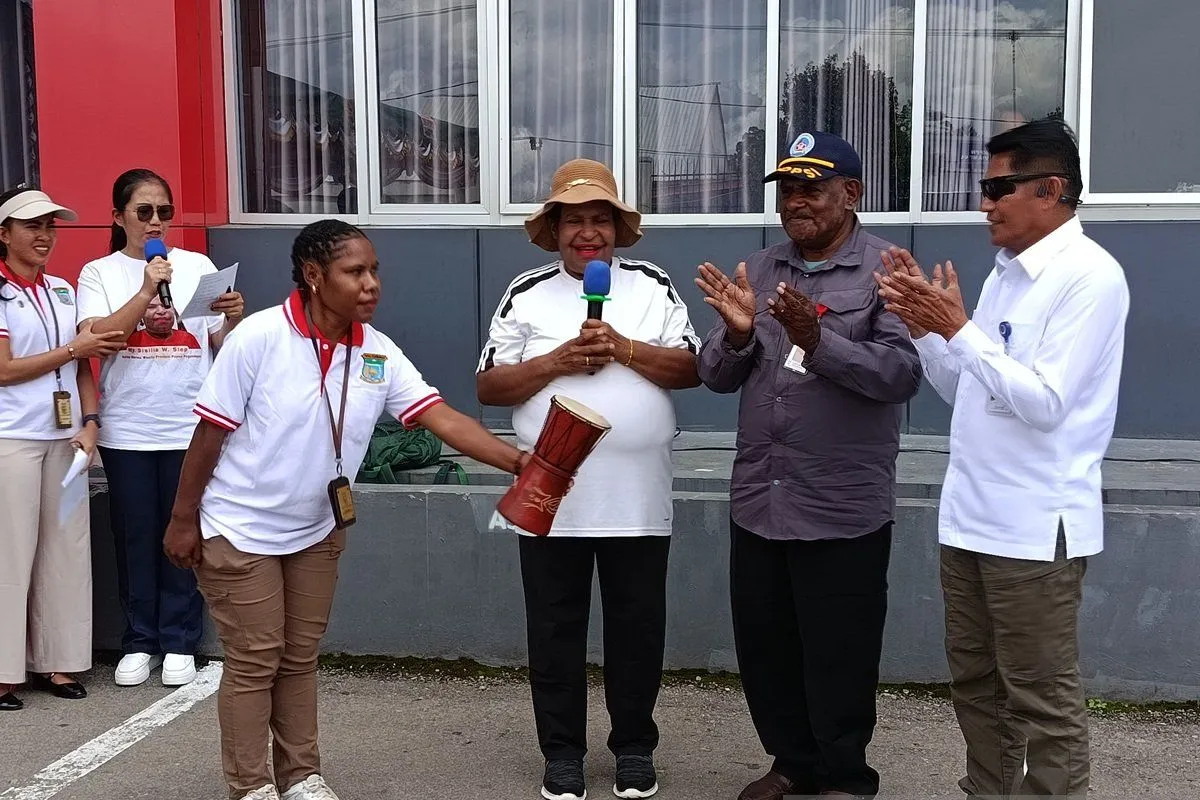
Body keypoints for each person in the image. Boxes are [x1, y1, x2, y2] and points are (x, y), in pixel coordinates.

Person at [163, 219, 534, 800]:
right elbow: (209, 434)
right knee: (256, 659)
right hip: (238, 529)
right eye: (355, 271)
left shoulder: (376, 349)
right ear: (314, 275)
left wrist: (518, 462)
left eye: (374, 271)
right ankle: (250, 785)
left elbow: (440, 417)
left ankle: (300, 776)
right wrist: (183, 519)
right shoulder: (258, 337)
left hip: (317, 529)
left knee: (298, 657)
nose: (371, 284)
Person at [875, 118, 1129, 799]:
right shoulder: (1006, 277)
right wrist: (927, 333)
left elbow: (1045, 403)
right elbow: (969, 389)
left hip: (1033, 528)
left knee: (1041, 696)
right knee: (977, 685)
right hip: (971, 519)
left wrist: (959, 329)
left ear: (1049, 189)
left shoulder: (1090, 277)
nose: (984, 204)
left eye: (997, 189)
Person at [694, 132, 922, 800]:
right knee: (766, 647)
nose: (796, 201)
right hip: (761, 500)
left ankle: (845, 778)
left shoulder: (887, 271)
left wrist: (819, 341)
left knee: (839, 653)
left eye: (812, 189)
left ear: (851, 194)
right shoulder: (761, 268)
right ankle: (792, 763)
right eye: (788, 189)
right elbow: (715, 375)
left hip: (840, 505)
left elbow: (901, 374)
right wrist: (738, 334)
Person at [477, 158, 701, 800]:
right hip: (552, 498)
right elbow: (488, 385)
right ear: (554, 231)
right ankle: (562, 754)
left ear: (616, 229)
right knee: (554, 630)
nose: (588, 233)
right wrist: (558, 360)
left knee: (637, 630)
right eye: (573, 221)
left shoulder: (653, 286)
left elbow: (693, 369)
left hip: (638, 498)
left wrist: (623, 348)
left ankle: (634, 748)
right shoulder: (526, 293)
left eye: (599, 219)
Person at [76, 168, 245, 688]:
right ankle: (140, 641)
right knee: (134, 534)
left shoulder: (197, 265)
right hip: (128, 428)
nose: (155, 222)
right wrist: (147, 286)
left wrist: (233, 318)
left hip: (188, 425)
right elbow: (99, 337)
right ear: (118, 217)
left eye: (164, 212)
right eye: (144, 211)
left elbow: (220, 345)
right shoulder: (99, 272)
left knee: (183, 530)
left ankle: (178, 640)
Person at [0, 187, 125, 711]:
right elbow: (4, 370)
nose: (45, 235)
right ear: (4, 233)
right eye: (32, 226)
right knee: (11, 553)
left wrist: (91, 422)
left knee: (67, 551)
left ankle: (60, 661)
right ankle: (3, 672)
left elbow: (81, 367)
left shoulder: (62, 289)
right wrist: (75, 347)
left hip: (68, 439)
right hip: (12, 438)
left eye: (50, 225)